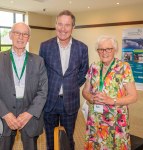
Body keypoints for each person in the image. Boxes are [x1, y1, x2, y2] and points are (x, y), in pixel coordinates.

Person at [39, 10, 89, 150]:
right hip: (49, 102)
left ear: (73, 27)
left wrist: (71, 85)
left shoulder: (82, 48)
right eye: (60, 24)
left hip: (70, 101)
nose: (63, 28)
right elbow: (41, 73)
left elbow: (83, 72)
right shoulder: (45, 46)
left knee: (68, 140)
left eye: (67, 25)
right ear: (55, 25)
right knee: (50, 140)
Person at [82, 35, 137, 150]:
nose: (104, 52)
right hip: (95, 120)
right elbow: (85, 91)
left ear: (115, 50)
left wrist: (111, 100)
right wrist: (90, 98)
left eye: (108, 49)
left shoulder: (124, 67)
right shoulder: (94, 67)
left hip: (116, 121)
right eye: (101, 49)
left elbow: (133, 96)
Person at [0, 22, 48, 150]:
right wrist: (5, 113)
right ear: (10, 35)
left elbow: (43, 91)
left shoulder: (39, 61)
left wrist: (28, 114)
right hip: (4, 112)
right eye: (17, 33)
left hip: (30, 111)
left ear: (28, 38)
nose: (21, 37)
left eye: (25, 34)